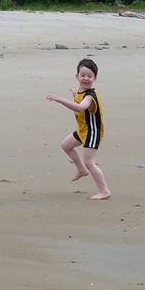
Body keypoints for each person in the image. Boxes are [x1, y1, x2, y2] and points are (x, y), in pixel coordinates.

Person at [46, 58, 111, 200]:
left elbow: (81, 107)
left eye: (90, 76)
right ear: (77, 76)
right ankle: (82, 170)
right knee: (66, 145)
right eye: (83, 75)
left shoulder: (90, 96)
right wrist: (74, 95)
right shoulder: (81, 92)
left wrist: (60, 100)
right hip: (83, 130)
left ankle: (104, 191)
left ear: (95, 78)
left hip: (92, 132)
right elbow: (79, 100)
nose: (86, 78)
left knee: (90, 162)